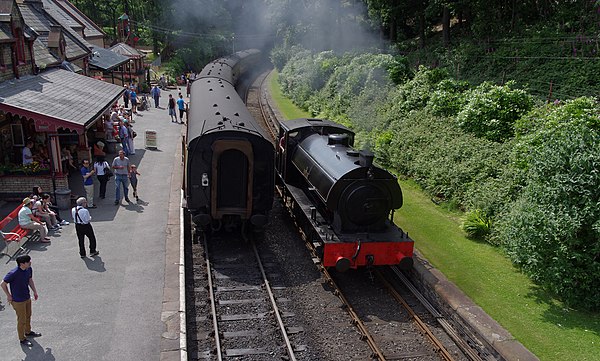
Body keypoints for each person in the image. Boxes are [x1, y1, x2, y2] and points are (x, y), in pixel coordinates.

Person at [1, 255, 42, 347]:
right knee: (21, 319)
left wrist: (34, 291)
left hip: (26, 297)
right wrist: (9, 296)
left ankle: (28, 331)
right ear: (22, 264)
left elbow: (30, 280)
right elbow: (3, 284)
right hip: (18, 301)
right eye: (28, 262)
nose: (30, 263)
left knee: (28, 315)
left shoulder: (28, 269)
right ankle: (22, 338)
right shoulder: (13, 273)